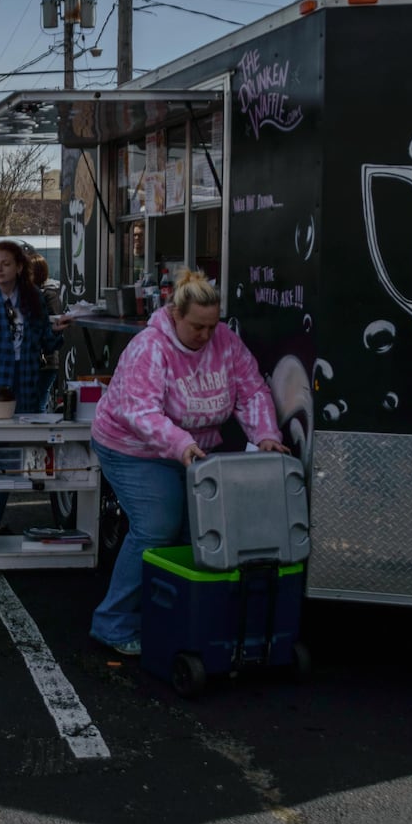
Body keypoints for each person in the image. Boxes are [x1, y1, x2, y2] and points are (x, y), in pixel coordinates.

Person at [87, 272, 289, 656]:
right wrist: (180, 443)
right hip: (131, 448)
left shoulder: (226, 342)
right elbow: (139, 412)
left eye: (212, 326)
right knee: (156, 526)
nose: (206, 335)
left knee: (193, 533)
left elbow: (251, 390)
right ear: (175, 315)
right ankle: (112, 622)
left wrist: (266, 436)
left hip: (191, 451)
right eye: (197, 326)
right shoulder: (150, 347)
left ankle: (170, 618)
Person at [0, 239, 74, 535]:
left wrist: (57, 332)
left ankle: (1, 522)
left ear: (19, 267)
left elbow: (45, 344)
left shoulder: (33, 297)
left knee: (23, 454)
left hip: (26, 385)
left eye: (5, 264)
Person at [28, 252, 67, 413]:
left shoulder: (48, 295)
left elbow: (54, 323)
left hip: (46, 360)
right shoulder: (26, 294)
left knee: (39, 401)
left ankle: (38, 436)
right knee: (34, 401)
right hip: (34, 359)